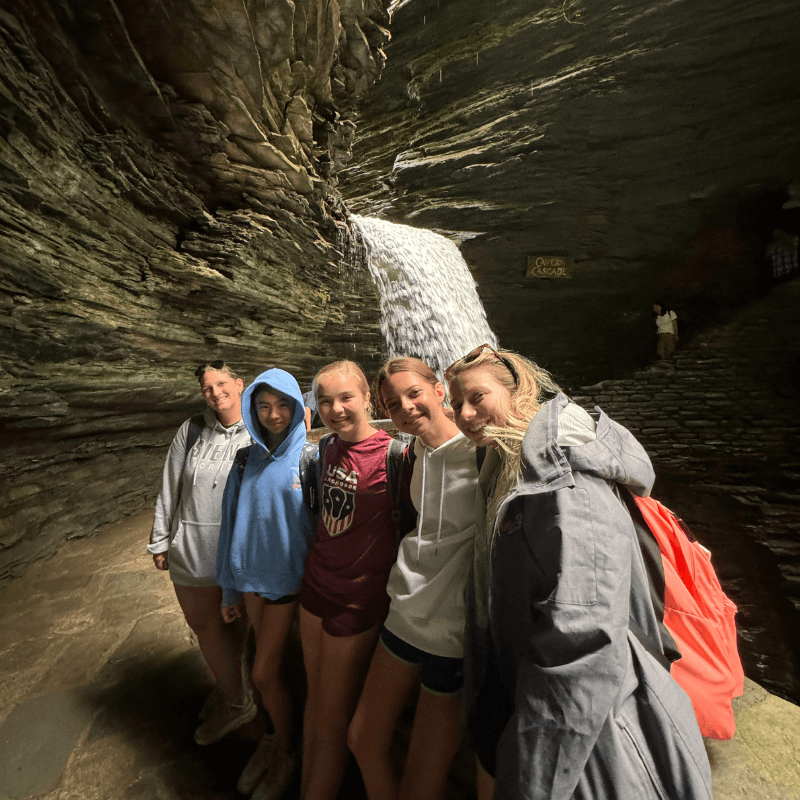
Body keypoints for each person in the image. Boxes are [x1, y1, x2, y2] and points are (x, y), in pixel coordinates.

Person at [445, 344, 713, 800]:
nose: (466, 414)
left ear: (520, 390)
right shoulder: (502, 464)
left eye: (477, 397)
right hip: (520, 694)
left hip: (596, 732)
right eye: (455, 404)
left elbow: (586, 639)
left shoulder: (565, 476)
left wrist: (533, 781)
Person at [348, 357, 481, 800]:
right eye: (392, 402)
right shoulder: (416, 452)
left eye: (414, 393)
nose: (405, 407)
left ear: (439, 390)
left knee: (423, 782)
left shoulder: (482, 452)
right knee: (362, 737)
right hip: (404, 611)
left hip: (452, 631)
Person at [299, 360, 399, 800]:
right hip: (315, 585)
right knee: (313, 700)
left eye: (345, 398)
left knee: (331, 717)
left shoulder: (395, 456)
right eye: (325, 401)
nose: (336, 409)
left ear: (366, 399)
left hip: (357, 600)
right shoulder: (325, 448)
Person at [216, 368, 316, 800]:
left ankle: (288, 748)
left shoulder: (310, 459)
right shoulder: (244, 459)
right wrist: (228, 588)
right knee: (263, 674)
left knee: (263, 671)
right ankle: (277, 738)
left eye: (282, 405)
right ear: (252, 410)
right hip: (249, 577)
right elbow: (229, 525)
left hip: (287, 583)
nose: (273, 415)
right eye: (263, 406)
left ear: (296, 407)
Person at [147, 361, 253, 745]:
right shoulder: (192, 430)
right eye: (208, 388)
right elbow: (170, 486)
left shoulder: (259, 430)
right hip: (190, 550)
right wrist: (160, 539)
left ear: (240, 384)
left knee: (238, 629)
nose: (215, 393)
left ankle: (239, 698)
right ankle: (233, 694)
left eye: (222, 383)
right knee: (205, 627)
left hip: (234, 555)